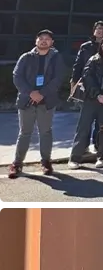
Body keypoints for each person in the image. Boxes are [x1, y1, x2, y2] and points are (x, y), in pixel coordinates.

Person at [8, 29, 63, 179]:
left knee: (45, 132)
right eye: (41, 38)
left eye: (47, 39)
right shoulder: (26, 57)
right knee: (25, 132)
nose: (44, 41)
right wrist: (30, 92)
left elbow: (58, 78)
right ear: (36, 41)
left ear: (52, 43)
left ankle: (46, 162)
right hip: (27, 100)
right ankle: (17, 163)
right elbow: (17, 76)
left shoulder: (56, 57)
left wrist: (42, 93)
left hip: (47, 101)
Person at [69, 34, 103, 169]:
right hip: (91, 100)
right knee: (83, 128)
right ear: (100, 47)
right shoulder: (93, 60)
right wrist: (98, 95)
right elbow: (87, 78)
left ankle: (102, 157)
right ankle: (75, 158)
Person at [70, 21, 103, 156]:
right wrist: (73, 82)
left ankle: (98, 148)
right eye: (98, 29)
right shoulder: (86, 47)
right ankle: (82, 149)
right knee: (85, 122)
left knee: (101, 122)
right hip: (87, 89)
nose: (101, 31)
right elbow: (78, 65)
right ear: (94, 31)